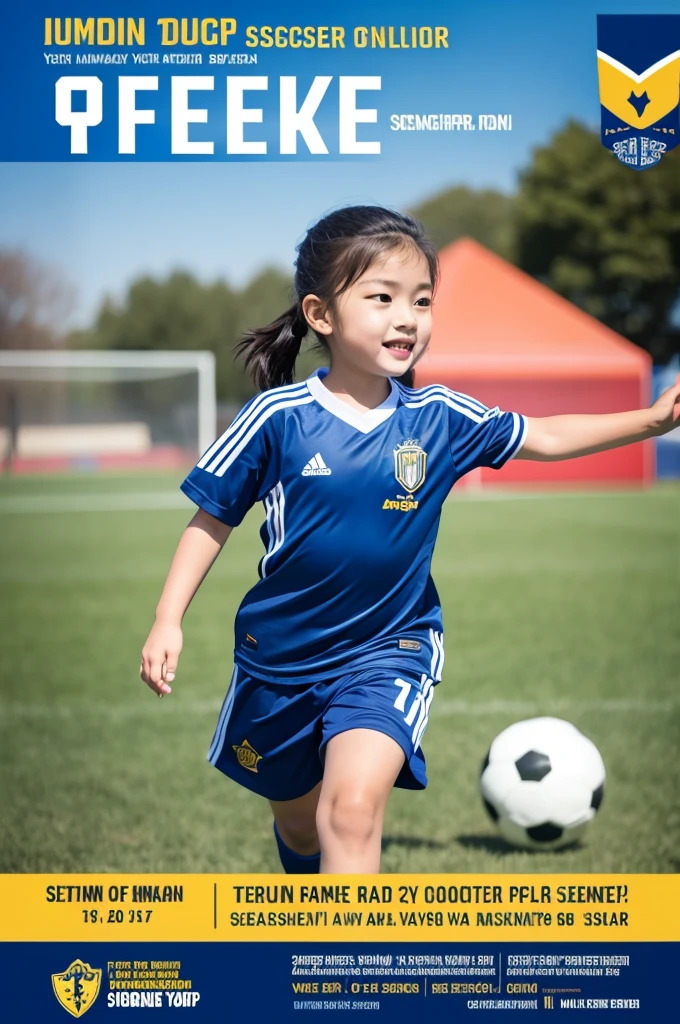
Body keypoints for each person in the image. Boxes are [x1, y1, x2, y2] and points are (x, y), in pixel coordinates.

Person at [140, 205, 680, 875]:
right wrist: (169, 619)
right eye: (383, 298)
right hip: (277, 663)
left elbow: (544, 434)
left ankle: (351, 976)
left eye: (421, 301)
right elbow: (211, 518)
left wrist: (653, 421)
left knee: (353, 812)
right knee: (303, 827)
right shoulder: (276, 419)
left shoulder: (439, 418)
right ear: (321, 314)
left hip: (388, 650)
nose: (408, 317)